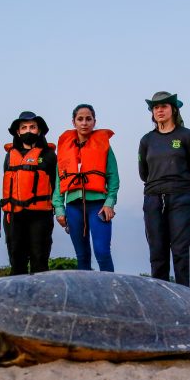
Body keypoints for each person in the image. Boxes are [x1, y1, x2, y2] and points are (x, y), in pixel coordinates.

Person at [139, 91, 190, 286]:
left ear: (173, 109)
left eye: (164, 106)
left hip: (180, 197)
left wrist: (186, 187)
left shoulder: (186, 136)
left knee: (182, 251)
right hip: (153, 198)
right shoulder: (147, 140)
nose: (160, 110)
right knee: (157, 252)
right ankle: (160, 301)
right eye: (156, 107)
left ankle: (186, 299)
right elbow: (143, 172)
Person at [53, 104, 119, 271]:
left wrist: (109, 203)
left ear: (94, 121)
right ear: (73, 122)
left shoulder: (104, 146)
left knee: (102, 252)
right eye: (80, 119)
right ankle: (86, 297)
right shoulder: (64, 148)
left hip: (98, 206)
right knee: (82, 256)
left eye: (88, 119)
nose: (84, 123)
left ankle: (110, 293)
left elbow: (113, 178)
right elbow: (59, 181)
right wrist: (59, 209)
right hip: (73, 207)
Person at [0, 111, 57, 275]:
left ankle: (39, 299)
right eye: (24, 127)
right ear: (18, 132)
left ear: (39, 131)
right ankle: (17, 298)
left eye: (32, 127)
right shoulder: (10, 155)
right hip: (13, 214)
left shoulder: (49, 155)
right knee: (16, 259)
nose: (28, 131)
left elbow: (55, 184)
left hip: (40, 215)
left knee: (39, 259)